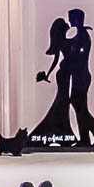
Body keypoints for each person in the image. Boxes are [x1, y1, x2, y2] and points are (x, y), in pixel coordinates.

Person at [30, 17, 75, 145]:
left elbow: (56, 60)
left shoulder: (62, 42)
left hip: (64, 73)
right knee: (62, 100)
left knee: (63, 101)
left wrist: (48, 74)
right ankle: (61, 131)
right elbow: (57, 59)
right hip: (64, 74)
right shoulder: (65, 42)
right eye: (65, 25)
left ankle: (64, 131)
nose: (68, 24)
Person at [66, 8, 94, 147]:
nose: (69, 20)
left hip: (81, 76)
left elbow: (79, 55)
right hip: (79, 76)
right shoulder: (79, 35)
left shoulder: (82, 36)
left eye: (71, 18)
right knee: (79, 106)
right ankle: (86, 137)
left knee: (79, 106)